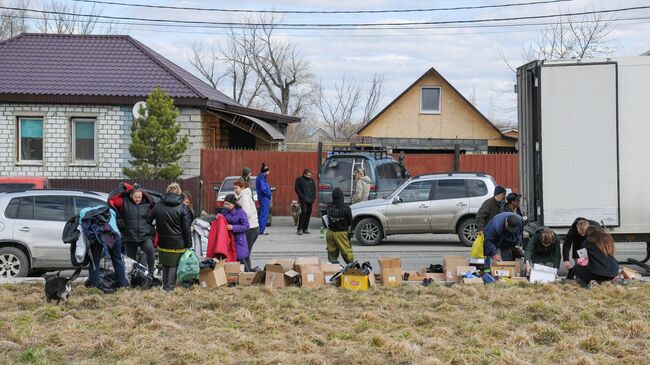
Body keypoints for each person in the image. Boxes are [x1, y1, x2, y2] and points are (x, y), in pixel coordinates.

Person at [149, 183, 192, 291]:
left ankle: (164, 286)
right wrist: (189, 244)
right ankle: (170, 287)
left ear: (167, 191)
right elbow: (186, 228)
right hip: (177, 241)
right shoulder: (183, 207)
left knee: (164, 263)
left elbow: (149, 220)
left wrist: (155, 231)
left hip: (162, 241)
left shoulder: (158, 205)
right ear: (179, 193)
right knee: (173, 264)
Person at [118, 187, 156, 275]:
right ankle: (133, 276)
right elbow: (113, 205)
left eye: (140, 197)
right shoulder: (124, 202)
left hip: (144, 235)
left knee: (150, 251)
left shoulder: (147, 203)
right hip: (130, 236)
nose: (138, 199)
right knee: (131, 259)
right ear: (131, 195)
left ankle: (151, 273)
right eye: (136, 197)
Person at [222, 194, 251, 271]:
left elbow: (246, 226)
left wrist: (233, 227)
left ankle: (247, 276)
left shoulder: (241, 212)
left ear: (233, 204)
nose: (226, 206)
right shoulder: (225, 211)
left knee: (241, 259)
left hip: (239, 239)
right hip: (229, 238)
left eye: (228, 204)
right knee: (231, 258)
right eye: (225, 203)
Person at [325, 187, 354, 264]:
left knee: (332, 253)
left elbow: (326, 217)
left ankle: (333, 269)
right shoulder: (346, 208)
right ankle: (352, 269)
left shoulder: (329, 206)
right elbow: (350, 222)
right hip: (341, 233)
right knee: (347, 253)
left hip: (330, 233)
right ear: (342, 196)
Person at [234, 180, 259, 265]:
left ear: (242, 188)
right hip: (252, 227)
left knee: (244, 253)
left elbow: (246, 214)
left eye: (236, 188)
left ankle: (248, 273)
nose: (235, 190)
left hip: (251, 228)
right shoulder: (243, 196)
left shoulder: (244, 197)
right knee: (245, 253)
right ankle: (248, 273)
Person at [294, 168, 316, 235]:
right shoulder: (299, 179)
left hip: (310, 200)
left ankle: (305, 228)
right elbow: (297, 189)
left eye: (310, 175)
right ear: (304, 174)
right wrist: (302, 197)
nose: (310, 176)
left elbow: (314, 189)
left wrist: (313, 197)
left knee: (308, 214)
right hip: (303, 200)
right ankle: (299, 229)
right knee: (304, 212)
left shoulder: (311, 180)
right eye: (308, 175)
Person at [256, 162, 272, 235]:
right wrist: (268, 194)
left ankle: (261, 229)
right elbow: (263, 189)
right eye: (268, 171)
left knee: (262, 213)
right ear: (265, 171)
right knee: (264, 214)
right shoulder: (262, 178)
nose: (269, 172)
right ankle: (261, 230)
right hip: (264, 197)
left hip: (263, 197)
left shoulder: (261, 177)